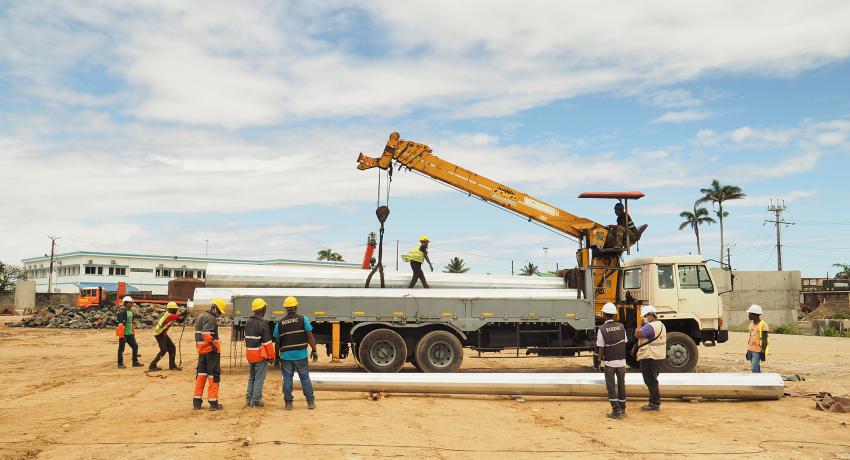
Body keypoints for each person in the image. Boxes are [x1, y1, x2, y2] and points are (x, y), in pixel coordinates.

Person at [273, 296, 318, 410]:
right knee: (305, 378)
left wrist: (277, 357)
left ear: (286, 308)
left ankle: (288, 403)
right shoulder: (304, 319)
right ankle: (310, 402)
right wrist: (314, 350)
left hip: (286, 356)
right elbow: (310, 336)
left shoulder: (279, 323)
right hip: (301, 354)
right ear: (296, 307)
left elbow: (277, 342)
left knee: (287, 378)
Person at [193, 298, 226, 411]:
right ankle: (213, 403)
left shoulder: (201, 317)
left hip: (201, 351)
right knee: (213, 376)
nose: (220, 315)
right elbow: (207, 334)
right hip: (211, 352)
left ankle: (197, 402)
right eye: (220, 312)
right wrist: (214, 347)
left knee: (201, 376)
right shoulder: (211, 319)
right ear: (215, 309)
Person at [597, 302, 627, 419]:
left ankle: (616, 410)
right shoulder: (621, 327)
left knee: (611, 386)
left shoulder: (602, 329)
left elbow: (601, 347)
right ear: (614, 315)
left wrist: (599, 360)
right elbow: (624, 341)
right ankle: (623, 408)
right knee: (621, 385)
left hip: (609, 362)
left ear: (604, 314)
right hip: (622, 362)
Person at [634, 304, 666, 411]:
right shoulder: (661, 325)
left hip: (650, 356)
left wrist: (639, 325)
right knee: (653, 380)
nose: (644, 318)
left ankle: (654, 403)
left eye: (646, 316)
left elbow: (637, 334)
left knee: (650, 381)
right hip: (658, 356)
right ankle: (654, 402)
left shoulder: (650, 326)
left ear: (652, 315)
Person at [244, 298, 276, 407]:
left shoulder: (248, 321)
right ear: (262, 309)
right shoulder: (263, 323)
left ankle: (249, 399)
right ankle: (256, 400)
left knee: (251, 377)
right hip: (259, 355)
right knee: (259, 378)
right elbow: (267, 343)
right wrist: (271, 356)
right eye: (265, 307)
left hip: (250, 354)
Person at [148, 301, 185, 371]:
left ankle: (172, 365)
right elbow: (178, 316)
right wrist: (185, 312)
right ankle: (152, 365)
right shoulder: (169, 315)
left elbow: (179, 320)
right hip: (160, 334)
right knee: (163, 350)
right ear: (171, 309)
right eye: (175, 309)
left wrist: (184, 315)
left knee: (172, 348)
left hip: (163, 333)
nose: (176, 310)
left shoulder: (169, 315)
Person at [116, 296, 143, 369]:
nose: (132, 304)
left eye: (132, 302)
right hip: (124, 334)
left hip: (129, 333)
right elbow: (120, 324)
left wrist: (132, 331)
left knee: (135, 346)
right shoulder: (122, 313)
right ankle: (120, 364)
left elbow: (131, 322)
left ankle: (135, 362)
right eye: (130, 302)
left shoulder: (130, 311)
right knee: (121, 349)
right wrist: (121, 335)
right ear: (125, 303)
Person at [746, 304, 769, 373]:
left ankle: (756, 382)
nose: (748, 315)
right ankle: (760, 381)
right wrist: (748, 350)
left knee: (754, 369)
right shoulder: (751, 325)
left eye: (750, 314)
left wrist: (763, 351)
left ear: (755, 315)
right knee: (756, 367)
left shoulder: (763, 324)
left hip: (757, 350)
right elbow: (751, 337)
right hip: (750, 350)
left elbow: (765, 339)